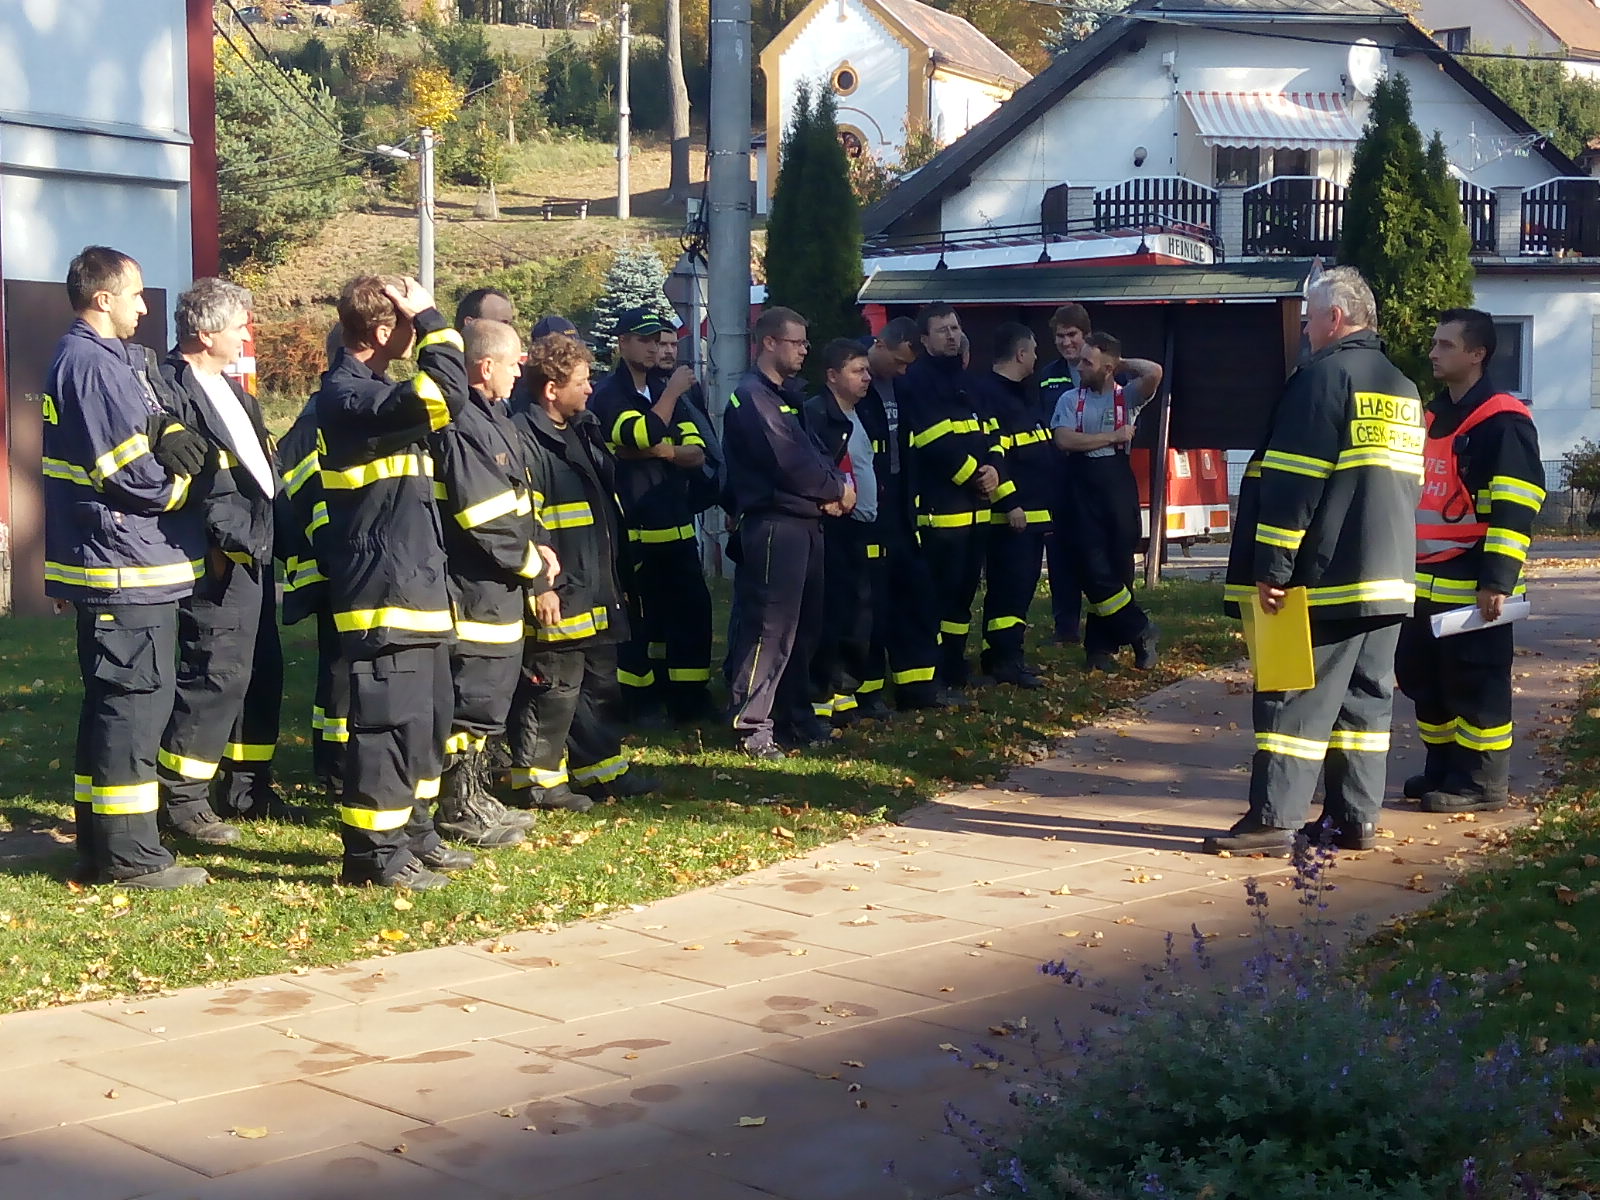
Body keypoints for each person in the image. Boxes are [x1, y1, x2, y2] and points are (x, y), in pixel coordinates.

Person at [1203, 267, 1424, 855]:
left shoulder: (1323, 378)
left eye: (1308, 319)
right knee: (1365, 704)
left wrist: (1273, 568)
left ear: (1335, 317)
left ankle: (1273, 820)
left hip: (1324, 578)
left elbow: (1294, 481)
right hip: (1389, 577)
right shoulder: (1402, 387)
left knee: (1292, 695)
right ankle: (1356, 819)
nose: (1303, 330)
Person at [43, 246, 211, 888]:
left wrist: (166, 428)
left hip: (119, 563)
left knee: (113, 707)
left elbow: (142, 424)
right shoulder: (90, 363)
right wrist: (190, 488)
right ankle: (131, 857)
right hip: (125, 565)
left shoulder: (102, 359)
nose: (144, 307)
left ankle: (101, 845)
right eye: (136, 294)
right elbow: (131, 476)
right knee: (133, 710)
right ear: (103, 298)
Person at [316, 274, 473, 889]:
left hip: (415, 588)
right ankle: (373, 854)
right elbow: (446, 392)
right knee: (387, 727)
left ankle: (414, 834)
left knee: (425, 724)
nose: (415, 333)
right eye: (406, 323)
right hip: (383, 597)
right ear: (384, 330)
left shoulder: (378, 391)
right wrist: (433, 319)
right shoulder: (349, 396)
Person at [157, 278, 299, 841]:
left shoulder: (237, 393)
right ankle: (182, 799)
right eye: (240, 325)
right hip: (218, 555)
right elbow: (195, 478)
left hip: (254, 551)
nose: (246, 335)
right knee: (215, 672)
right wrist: (220, 543)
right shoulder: (171, 387)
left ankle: (246, 787)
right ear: (205, 331)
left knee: (261, 670)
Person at [1397, 308, 1545, 814]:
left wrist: (1497, 579)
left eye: (1446, 345)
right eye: (1434, 343)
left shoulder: (1502, 420)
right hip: (1424, 579)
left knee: (1476, 685)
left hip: (1474, 583)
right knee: (1425, 681)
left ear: (1478, 354)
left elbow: (1516, 504)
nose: (1433, 353)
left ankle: (1482, 781)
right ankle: (1444, 769)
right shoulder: (1434, 416)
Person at [509, 334, 648, 807]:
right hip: (559, 589)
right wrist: (541, 586)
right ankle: (539, 784)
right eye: (582, 382)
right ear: (552, 390)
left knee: (599, 686)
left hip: (596, 586)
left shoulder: (582, 429)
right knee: (553, 688)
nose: (591, 389)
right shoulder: (524, 441)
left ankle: (601, 773)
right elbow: (524, 522)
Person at [429, 318, 555, 836]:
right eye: (512, 363)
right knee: (472, 697)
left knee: (491, 695)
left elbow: (519, 498)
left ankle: (475, 794)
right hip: (475, 585)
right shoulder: (463, 423)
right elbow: (481, 515)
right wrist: (530, 561)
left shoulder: (494, 417)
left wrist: (537, 546)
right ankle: (457, 808)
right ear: (485, 367)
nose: (519, 371)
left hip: (500, 583)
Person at [724, 307, 852, 758]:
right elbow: (789, 463)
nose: (804, 351)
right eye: (796, 342)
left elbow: (814, 452)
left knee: (803, 629)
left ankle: (795, 715)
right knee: (770, 628)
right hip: (776, 525)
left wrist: (835, 489)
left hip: (805, 523)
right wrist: (835, 490)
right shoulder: (752, 398)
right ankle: (750, 726)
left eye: (805, 343)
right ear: (769, 343)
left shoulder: (785, 396)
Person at [589, 307, 713, 723]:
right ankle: (639, 702)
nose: (654, 348)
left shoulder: (659, 390)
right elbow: (638, 434)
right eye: (644, 340)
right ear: (622, 344)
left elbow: (696, 453)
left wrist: (661, 449)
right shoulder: (609, 394)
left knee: (691, 612)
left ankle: (689, 698)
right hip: (634, 531)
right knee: (640, 621)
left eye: (657, 340)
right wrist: (671, 398)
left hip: (677, 527)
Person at [1050, 332, 1163, 672]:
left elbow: (1154, 372)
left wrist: (1120, 362)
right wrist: (1111, 436)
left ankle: (1101, 648)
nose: (1079, 366)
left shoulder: (1126, 396)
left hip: (1117, 485)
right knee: (1091, 568)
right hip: (1080, 485)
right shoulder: (1070, 399)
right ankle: (1140, 628)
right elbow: (1064, 440)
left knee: (1118, 566)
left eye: (1088, 362)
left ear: (1108, 368)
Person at [903, 303, 999, 696]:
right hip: (940, 514)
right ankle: (933, 674)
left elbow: (992, 432)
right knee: (936, 598)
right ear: (924, 339)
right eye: (942, 330)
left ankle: (955, 667)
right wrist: (975, 476)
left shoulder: (969, 382)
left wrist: (994, 469)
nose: (952, 336)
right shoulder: (917, 382)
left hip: (975, 514)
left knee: (962, 599)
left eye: (955, 328)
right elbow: (932, 442)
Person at [277, 325, 345, 804]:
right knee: (342, 671)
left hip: (329, 564)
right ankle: (338, 767)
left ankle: (332, 762)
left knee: (336, 669)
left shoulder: (314, 414)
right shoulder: (321, 419)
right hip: (335, 565)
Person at [857, 317, 939, 713]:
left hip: (902, 511)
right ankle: (868, 691)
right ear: (881, 345)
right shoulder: (855, 378)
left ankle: (917, 688)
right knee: (870, 604)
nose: (903, 371)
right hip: (867, 513)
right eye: (899, 362)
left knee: (914, 598)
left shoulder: (902, 388)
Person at [972, 322, 1051, 689]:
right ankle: (1004, 660)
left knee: (1020, 592)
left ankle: (1006, 655)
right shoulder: (991, 396)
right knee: (1009, 590)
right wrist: (1010, 502)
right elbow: (994, 456)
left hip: (1032, 513)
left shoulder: (1022, 394)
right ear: (1020, 354)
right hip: (1011, 516)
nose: (1036, 357)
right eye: (1033, 351)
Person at [804, 339, 879, 724]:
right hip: (831, 526)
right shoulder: (817, 415)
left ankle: (844, 693)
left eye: (867, 370)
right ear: (832, 376)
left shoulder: (860, 414)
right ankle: (819, 697)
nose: (866, 377)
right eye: (857, 370)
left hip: (860, 526)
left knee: (855, 612)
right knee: (828, 613)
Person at [1037, 304, 1091, 644]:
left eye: (1072, 335)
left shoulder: (1104, 371)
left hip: (1095, 473)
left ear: (1086, 335)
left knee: (1097, 550)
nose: (1066, 342)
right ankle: (1066, 627)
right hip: (1058, 475)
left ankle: (1109, 626)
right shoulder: (1047, 375)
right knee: (1059, 553)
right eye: (1060, 336)